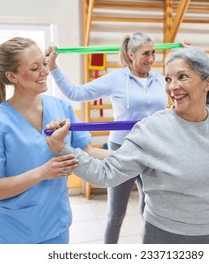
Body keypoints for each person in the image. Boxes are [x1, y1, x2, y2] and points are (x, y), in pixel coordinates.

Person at [45, 46, 209, 244]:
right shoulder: (151, 129)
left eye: (182, 77)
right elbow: (106, 174)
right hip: (167, 237)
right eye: (168, 78)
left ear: (207, 83)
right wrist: (63, 149)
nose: (172, 87)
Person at [0, 37, 110, 244]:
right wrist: (43, 173)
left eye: (44, 64)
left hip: (56, 225)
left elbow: (88, 151)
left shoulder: (62, 108)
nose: (45, 72)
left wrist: (138, 156)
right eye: (35, 68)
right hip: (15, 232)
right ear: (12, 76)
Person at [45, 32, 181, 243]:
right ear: (131, 54)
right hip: (121, 149)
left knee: (151, 212)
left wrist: (186, 53)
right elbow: (76, 94)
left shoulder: (159, 79)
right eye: (146, 54)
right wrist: (53, 67)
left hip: (155, 149)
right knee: (116, 214)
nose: (152, 59)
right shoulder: (117, 79)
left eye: (154, 53)